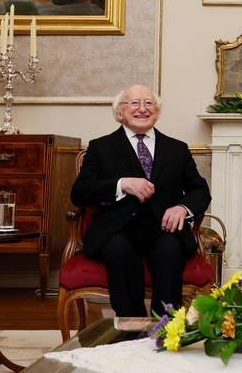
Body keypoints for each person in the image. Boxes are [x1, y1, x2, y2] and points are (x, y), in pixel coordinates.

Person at [70, 85, 211, 317]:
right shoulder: (100, 147)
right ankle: (131, 328)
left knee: (169, 251)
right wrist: (121, 184)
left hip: (164, 229)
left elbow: (200, 190)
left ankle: (165, 326)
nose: (142, 109)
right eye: (134, 103)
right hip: (116, 228)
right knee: (118, 250)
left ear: (157, 112)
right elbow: (80, 192)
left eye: (149, 103)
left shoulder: (177, 149)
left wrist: (182, 208)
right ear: (119, 113)